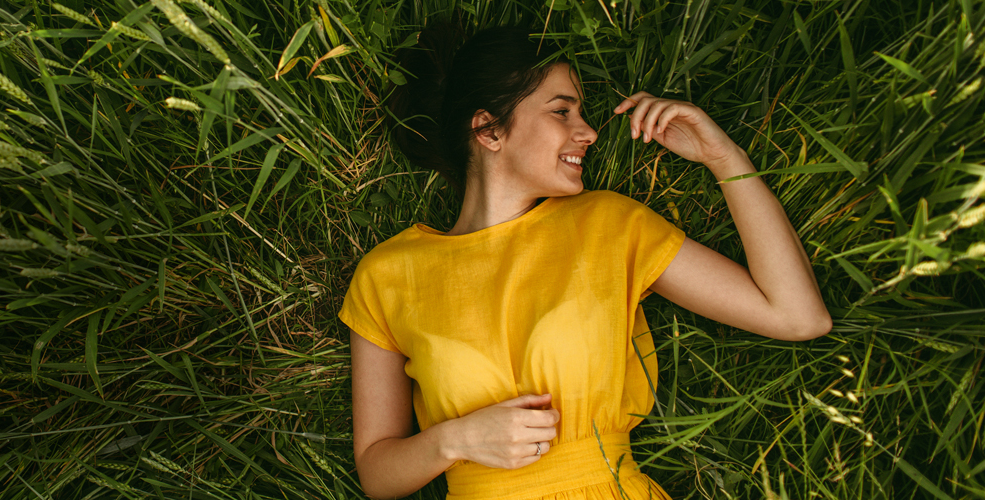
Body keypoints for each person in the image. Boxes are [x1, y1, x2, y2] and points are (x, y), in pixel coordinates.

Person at [340, 24, 831, 500]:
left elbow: (797, 317)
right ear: (488, 130)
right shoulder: (388, 275)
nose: (589, 132)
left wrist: (725, 158)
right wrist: (455, 441)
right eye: (562, 112)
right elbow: (377, 475)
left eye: (583, 114)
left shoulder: (610, 225)